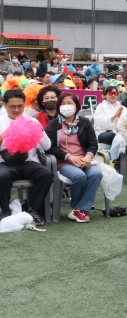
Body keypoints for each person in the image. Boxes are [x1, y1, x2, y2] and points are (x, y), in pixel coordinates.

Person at [45, 93, 102, 223]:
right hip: (63, 161)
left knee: (96, 174)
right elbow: (49, 146)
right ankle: (80, 208)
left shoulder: (85, 122)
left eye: (70, 103)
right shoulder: (54, 124)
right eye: (63, 103)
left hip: (84, 160)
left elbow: (93, 144)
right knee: (79, 176)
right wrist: (68, 156)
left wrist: (88, 156)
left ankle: (79, 209)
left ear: (76, 106)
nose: (66, 106)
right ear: (59, 107)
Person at [0, 88, 52, 224]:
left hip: (29, 161)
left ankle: (34, 210)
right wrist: (5, 134)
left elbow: (47, 146)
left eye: (20, 106)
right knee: (1, 176)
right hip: (4, 162)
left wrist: (38, 130)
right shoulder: (1, 121)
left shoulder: (32, 121)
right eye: (12, 106)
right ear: (4, 105)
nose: (16, 110)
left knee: (45, 174)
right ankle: (4, 211)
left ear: (24, 105)